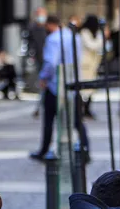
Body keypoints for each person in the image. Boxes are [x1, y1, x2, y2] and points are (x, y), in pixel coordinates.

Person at [29, 16, 90, 161]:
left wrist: (43, 77)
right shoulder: (74, 37)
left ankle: (44, 150)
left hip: (55, 84)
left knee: (49, 120)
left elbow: (51, 62)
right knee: (76, 120)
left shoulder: (53, 39)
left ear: (50, 25)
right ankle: (85, 148)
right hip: (72, 83)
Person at [78, 15, 105, 118]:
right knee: (83, 89)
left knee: (91, 89)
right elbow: (92, 46)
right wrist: (101, 36)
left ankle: (87, 109)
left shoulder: (93, 33)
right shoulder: (84, 32)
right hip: (85, 65)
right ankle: (81, 109)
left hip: (93, 66)